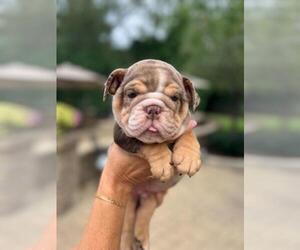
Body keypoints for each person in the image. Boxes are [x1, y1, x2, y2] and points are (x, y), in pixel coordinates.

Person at [75, 120, 197, 250]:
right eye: (133, 97)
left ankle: (138, 238)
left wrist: (188, 144)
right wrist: (155, 153)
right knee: (127, 218)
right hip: (132, 190)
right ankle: (130, 238)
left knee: (146, 206)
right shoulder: (126, 126)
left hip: (153, 190)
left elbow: (185, 133)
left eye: (173, 98)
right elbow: (121, 137)